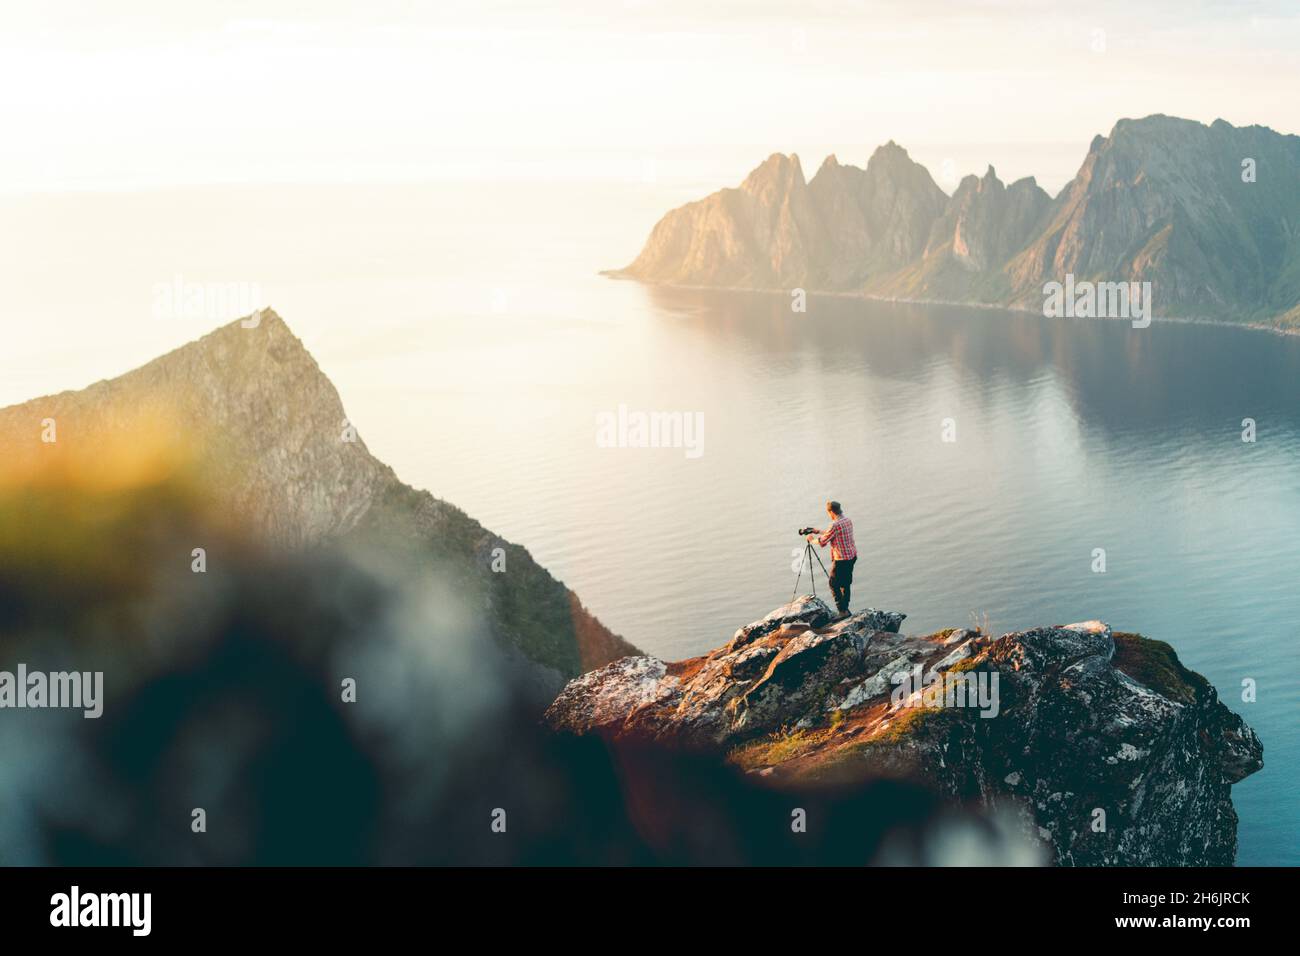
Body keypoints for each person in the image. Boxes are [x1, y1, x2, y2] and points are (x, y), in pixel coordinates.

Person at [806, 500, 857, 619]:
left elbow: (822, 541)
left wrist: (811, 539)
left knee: (833, 584)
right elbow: (835, 533)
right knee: (846, 583)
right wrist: (818, 531)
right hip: (851, 556)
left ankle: (842, 611)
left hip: (841, 559)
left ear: (831, 512)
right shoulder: (847, 520)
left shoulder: (834, 525)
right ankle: (845, 609)